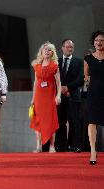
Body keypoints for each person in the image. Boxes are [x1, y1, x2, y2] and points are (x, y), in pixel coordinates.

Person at [30, 41, 61, 153]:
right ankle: (39, 146)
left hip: (50, 96)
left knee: (51, 120)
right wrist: (33, 98)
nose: (47, 52)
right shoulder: (36, 65)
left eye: (49, 50)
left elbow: (58, 82)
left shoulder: (54, 65)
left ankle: (52, 146)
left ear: (52, 52)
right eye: (45, 50)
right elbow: (35, 82)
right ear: (41, 52)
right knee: (38, 120)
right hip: (39, 96)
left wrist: (58, 95)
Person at [55, 39, 84, 152]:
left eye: (71, 47)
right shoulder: (57, 61)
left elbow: (80, 79)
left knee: (74, 121)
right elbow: (54, 79)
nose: (69, 49)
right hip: (60, 97)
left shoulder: (79, 62)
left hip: (74, 96)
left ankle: (75, 145)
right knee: (60, 121)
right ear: (62, 48)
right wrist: (61, 89)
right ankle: (60, 145)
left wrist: (68, 88)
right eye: (67, 47)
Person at [84, 30, 104, 165]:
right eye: (97, 40)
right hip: (94, 93)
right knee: (92, 121)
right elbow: (86, 76)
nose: (99, 42)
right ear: (93, 42)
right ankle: (92, 151)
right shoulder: (88, 59)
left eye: (102, 40)